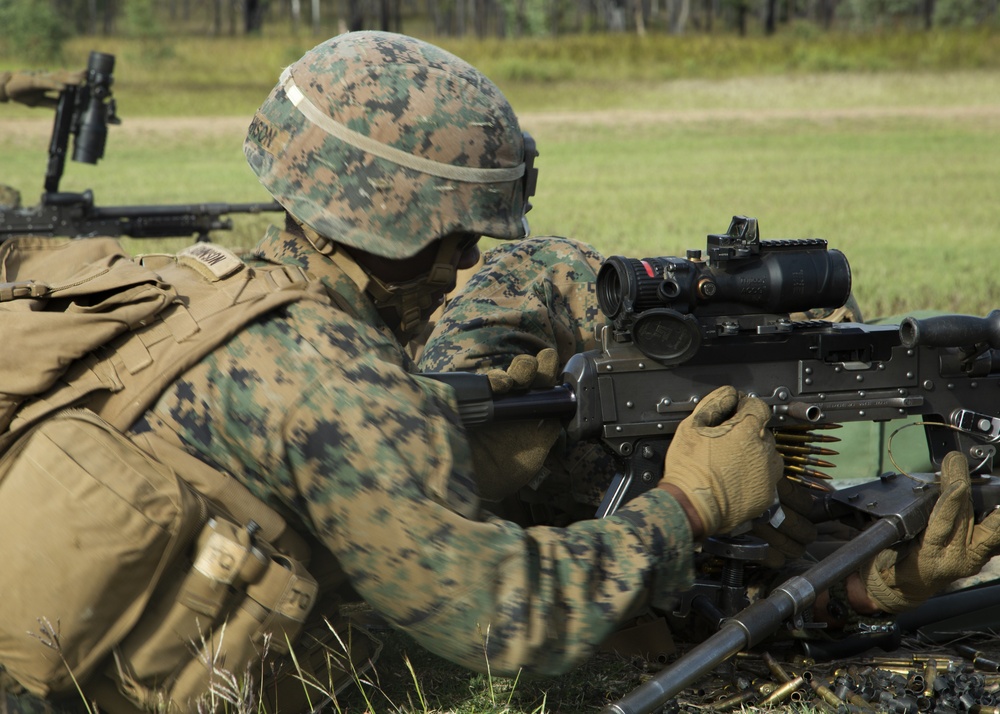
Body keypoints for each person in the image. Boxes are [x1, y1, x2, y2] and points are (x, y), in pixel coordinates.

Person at [1, 33, 998, 712]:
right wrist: (687, 507)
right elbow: (505, 617)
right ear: (401, 224)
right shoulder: (339, 383)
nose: (468, 262)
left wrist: (854, 588)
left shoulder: (185, 282)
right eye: (455, 236)